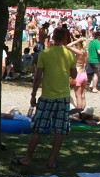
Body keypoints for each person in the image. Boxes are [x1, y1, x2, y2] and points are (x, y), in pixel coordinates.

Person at [15, 26, 76, 169]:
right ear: (65, 38)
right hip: (63, 97)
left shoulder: (45, 54)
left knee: (37, 129)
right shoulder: (69, 55)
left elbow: (37, 77)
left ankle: (28, 158)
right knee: (59, 131)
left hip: (47, 96)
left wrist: (33, 95)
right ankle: (52, 161)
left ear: (53, 37)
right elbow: (74, 75)